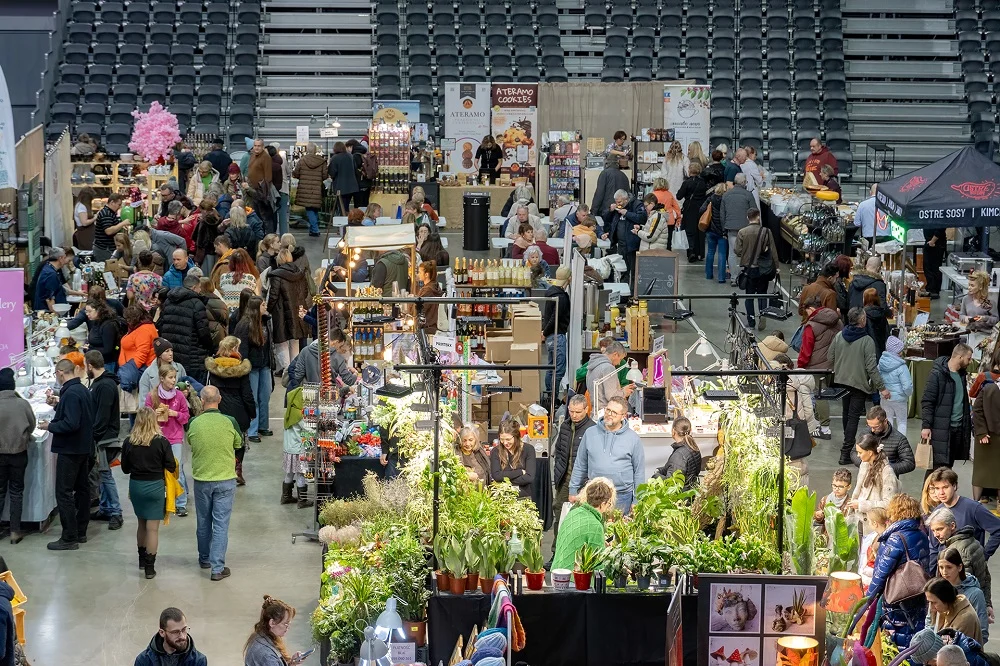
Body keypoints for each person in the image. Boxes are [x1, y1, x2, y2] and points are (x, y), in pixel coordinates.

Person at [188, 385, 242, 580]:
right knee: (221, 524)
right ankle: (217, 568)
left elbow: (191, 443)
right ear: (219, 400)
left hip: (202, 479)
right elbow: (239, 444)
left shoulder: (194, 423)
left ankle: (204, 558)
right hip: (225, 479)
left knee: (203, 521)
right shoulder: (230, 421)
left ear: (202, 401)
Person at [40, 359, 94, 550]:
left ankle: (69, 536)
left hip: (70, 449)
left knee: (64, 492)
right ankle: (80, 531)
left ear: (61, 372)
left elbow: (71, 423)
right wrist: (57, 404)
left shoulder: (71, 393)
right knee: (82, 490)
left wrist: (50, 426)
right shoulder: (81, 390)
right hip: (82, 448)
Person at [120, 407, 176, 579]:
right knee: (153, 529)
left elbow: (124, 469)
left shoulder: (129, 442)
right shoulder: (161, 442)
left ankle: (141, 560)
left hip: (136, 486)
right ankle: (150, 569)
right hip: (155, 487)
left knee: (141, 525)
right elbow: (171, 466)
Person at [868, 493, 930, 646]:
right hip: (917, 592)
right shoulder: (921, 534)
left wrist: (868, 599)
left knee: (897, 640)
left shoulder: (895, 538)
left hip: (897, 598)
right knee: (914, 635)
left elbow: (881, 573)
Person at [829, 307, 889, 464]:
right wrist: (882, 387)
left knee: (846, 413)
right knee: (853, 417)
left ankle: (846, 446)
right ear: (862, 321)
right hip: (858, 384)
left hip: (841, 381)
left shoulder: (839, 336)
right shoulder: (867, 341)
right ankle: (845, 452)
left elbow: (830, 356)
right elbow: (871, 367)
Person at [569, 396, 644, 513]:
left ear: (623, 416)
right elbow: (580, 464)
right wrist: (573, 490)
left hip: (622, 496)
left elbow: (639, 472)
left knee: (618, 530)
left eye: (614, 412)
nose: (609, 414)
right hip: (594, 493)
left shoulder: (633, 439)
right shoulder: (590, 433)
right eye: (608, 410)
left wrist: (637, 500)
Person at [205, 336, 256, 485]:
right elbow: (247, 394)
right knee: (239, 442)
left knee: (220, 442)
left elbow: (208, 390)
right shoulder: (242, 368)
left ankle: (220, 470)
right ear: (234, 349)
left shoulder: (213, 367)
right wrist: (252, 413)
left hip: (218, 410)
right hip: (239, 412)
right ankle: (236, 468)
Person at [927, 467, 1000, 564]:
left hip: (971, 569)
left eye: (945, 487)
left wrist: (984, 555)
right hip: (946, 569)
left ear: (955, 486)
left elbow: (997, 528)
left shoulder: (973, 508)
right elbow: (934, 547)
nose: (941, 492)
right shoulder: (937, 512)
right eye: (937, 488)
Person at [145, 364, 191, 516]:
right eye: (170, 378)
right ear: (162, 378)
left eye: (174, 377)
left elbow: (186, 417)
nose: (173, 381)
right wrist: (153, 413)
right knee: (158, 471)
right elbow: (144, 417)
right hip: (158, 437)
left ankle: (181, 502)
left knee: (176, 469)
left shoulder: (179, 396)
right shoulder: (152, 396)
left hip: (175, 437)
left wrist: (175, 414)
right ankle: (163, 500)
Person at [85, 350, 123, 531]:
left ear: (90, 366)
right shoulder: (100, 384)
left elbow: (102, 416)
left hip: (105, 439)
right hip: (103, 437)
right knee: (102, 475)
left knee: (105, 475)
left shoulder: (105, 386)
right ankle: (107, 508)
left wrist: (93, 435)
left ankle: (116, 512)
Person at [921, 345, 974, 472]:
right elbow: (928, 401)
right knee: (935, 469)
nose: (970, 361)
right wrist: (926, 426)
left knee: (948, 468)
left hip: (958, 430)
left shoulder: (961, 375)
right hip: (942, 430)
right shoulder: (937, 374)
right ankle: (926, 492)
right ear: (960, 357)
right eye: (969, 358)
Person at [929, 511, 992, 614]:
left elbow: (961, 585)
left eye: (940, 529)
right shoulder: (972, 541)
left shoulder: (958, 550)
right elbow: (986, 577)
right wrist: (987, 604)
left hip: (965, 609)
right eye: (933, 530)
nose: (936, 534)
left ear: (952, 526)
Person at [0, 368, 35, 545]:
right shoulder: (23, 404)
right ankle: (15, 531)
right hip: (18, 453)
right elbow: (32, 425)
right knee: (16, 492)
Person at [550, 477, 616, 571]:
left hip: (557, 571)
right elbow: (598, 565)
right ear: (603, 503)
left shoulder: (573, 513)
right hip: (574, 579)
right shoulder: (595, 526)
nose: (608, 507)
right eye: (609, 504)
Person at [553, 394, 595, 538]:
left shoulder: (592, 430)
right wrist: (558, 470)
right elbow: (558, 450)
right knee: (560, 515)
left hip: (584, 484)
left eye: (578, 412)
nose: (574, 415)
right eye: (571, 411)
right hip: (564, 480)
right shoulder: (565, 426)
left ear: (586, 409)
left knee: (583, 518)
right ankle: (556, 553)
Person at [158, 278, 214, 385]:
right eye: (199, 288)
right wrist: (210, 348)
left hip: (172, 356)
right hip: (193, 358)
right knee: (194, 393)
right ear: (194, 288)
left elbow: (161, 326)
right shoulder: (197, 304)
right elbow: (203, 333)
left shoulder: (168, 301)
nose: (200, 290)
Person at [234, 296, 272, 442]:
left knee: (265, 396)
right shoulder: (244, 324)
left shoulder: (266, 321)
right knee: (253, 399)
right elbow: (241, 349)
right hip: (252, 367)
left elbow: (269, 346)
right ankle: (252, 430)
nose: (265, 306)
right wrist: (244, 367)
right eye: (263, 305)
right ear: (256, 307)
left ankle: (263, 425)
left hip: (265, 365)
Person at [267, 248, 311, 372]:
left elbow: (273, 296)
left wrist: (268, 310)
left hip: (281, 312)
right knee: (294, 341)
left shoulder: (276, 275)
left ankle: (287, 370)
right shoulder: (300, 273)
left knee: (282, 342)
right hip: (298, 310)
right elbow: (305, 291)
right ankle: (295, 369)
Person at [734, 208, 777, 330]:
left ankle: (751, 321)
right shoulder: (766, 232)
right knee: (763, 294)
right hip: (764, 269)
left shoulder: (742, 232)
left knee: (749, 296)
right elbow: (773, 250)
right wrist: (777, 267)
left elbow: (737, 250)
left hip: (749, 269)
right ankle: (762, 314)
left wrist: (745, 254)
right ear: (758, 217)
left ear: (748, 218)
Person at [848, 434, 900, 529]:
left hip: (876, 525)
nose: (858, 456)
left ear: (870, 452)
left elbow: (889, 503)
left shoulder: (887, 472)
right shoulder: (864, 465)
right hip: (859, 519)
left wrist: (861, 504)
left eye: (860, 452)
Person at [848, 405, 915, 477]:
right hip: (866, 478)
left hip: (887, 480)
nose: (872, 430)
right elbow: (854, 452)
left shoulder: (899, 439)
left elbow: (909, 463)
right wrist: (864, 464)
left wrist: (884, 469)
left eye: (876, 427)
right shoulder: (865, 433)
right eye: (870, 426)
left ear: (885, 421)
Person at [244, 596, 307, 666]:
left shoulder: (261, 637)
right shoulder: (267, 656)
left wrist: (292, 663)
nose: (288, 627)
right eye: (285, 623)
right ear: (272, 623)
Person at [134, 607, 208, 666]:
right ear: (162, 632)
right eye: (175, 632)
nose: (182, 636)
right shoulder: (144, 661)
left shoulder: (198, 660)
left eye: (184, 629)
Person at [720, 174, 757, 284]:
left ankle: (733, 278)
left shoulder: (726, 195)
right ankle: (745, 277)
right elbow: (754, 211)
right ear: (744, 182)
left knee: (732, 253)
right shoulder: (748, 195)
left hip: (731, 227)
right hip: (746, 228)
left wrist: (724, 229)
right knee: (747, 253)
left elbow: (722, 214)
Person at [542, 266, 571, 403]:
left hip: (550, 337)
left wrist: (544, 332)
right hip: (557, 336)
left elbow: (548, 316)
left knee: (550, 368)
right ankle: (552, 399)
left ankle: (549, 395)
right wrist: (545, 331)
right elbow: (555, 318)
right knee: (558, 370)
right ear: (569, 279)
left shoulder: (550, 292)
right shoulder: (561, 297)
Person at [605, 189, 645, 288]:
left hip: (633, 245)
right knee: (622, 270)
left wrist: (626, 213)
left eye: (620, 202)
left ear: (626, 199)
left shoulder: (637, 204)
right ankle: (623, 293)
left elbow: (642, 218)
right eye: (616, 202)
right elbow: (605, 218)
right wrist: (610, 210)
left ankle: (633, 293)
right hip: (621, 245)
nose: (618, 204)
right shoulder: (617, 208)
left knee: (634, 270)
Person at [924, 577, 983, 643]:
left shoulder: (965, 618)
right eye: (929, 602)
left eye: (934, 602)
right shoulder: (944, 609)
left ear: (946, 599)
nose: (931, 607)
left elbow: (955, 650)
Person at [489, 418, 536, 500]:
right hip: (502, 496)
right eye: (502, 439)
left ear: (516, 436)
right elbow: (496, 476)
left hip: (523, 495)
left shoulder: (529, 449)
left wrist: (504, 480)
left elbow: (529, 477)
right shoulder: (495, 451)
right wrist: (520, 472)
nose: (505, 443)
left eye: (508, 439)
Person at [653, 415, 702, 491]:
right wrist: (661, 470)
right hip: (691, 494)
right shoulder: (693, 447)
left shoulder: (679, 455)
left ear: (673, 431)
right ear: (690, 430)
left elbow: (671, 484)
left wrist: (656, 476)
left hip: (681, 498)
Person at [586, 341, 635, 414]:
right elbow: (611, 397)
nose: (619, 363)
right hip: (607, 413)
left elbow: (602, 391)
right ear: (615, 354)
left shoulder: (594, 365)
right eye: (620, 359)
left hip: (596, 411)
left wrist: (622, 389)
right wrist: (624, 392)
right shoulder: (608, 368)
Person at [880, 335, 913, 436]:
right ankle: (900, 445)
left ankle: (887, 443)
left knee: (887, 421)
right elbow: (907, 386)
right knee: (902, 422)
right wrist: (908, 394)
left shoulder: (881, 363)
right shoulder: (902, 366)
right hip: (899, 399)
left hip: (885, 397)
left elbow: (877, 379)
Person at [291, 143, 326, 237]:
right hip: (316, 188)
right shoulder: (322, 161)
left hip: (304, 189)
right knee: (314, 208)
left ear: (307, 151)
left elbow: (296, 173)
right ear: (315, 151)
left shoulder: (302, 160)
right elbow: (325, 175)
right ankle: (313, 229)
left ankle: (315, 230)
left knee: (309, 209)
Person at [676, 162, 709, 261]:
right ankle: (700, 253)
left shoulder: (686, 183)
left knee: (689, 231)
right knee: (700, 230)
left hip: (689, 208)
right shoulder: (703, 182)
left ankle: (691, 251)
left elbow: (679, 196)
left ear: (689, 170)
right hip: (700, 208)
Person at [701, 182, 731, 281]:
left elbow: (701, 210)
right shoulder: (726, 200)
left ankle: (709, 275)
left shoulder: (710, 199)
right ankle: (721, 278)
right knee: (722, 254)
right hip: (722, 231)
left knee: (710, 253)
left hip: (711, 230)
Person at [93, 193, 128, 261]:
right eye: (119, 204)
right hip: (104, 249)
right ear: (112, 202)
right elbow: (108, 231)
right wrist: (123, 224)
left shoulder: (111, 212)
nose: (119, 207)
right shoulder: (106, 213)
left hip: (108, 248)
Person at [860, 508, 890, 586]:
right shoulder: (876, 536)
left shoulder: (885, 540)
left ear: (875, 523)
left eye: (869, 521)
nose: (869, 524)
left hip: (874, 582)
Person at [327, 141, 359, 214]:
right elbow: (355, 169)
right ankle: (348, 219)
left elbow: (332, 172)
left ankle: (344, 221)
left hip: (341, 187)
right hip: (352, 186)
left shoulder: (335, 158)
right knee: (346, 206)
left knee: (342, 207)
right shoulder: (350, 156)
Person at [415, 260, 442, 335]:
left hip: (426, 328)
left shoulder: (428, 291)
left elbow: (419, 308)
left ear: (426, 274)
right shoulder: (433, 286)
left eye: (420, 272)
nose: (418, 274)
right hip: (430, 326)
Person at [924, 227, 949, 300]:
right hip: (930, 242)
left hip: (935, 244)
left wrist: (933, 241)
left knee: (934, 267)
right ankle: (930, 289)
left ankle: (933, 290)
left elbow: (940, 228)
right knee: (928, 267)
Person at [864, 289, 890, 356]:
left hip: (868, 351)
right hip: (881, 350)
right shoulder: (882, 314)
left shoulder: (863, 315)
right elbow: (887, 333)